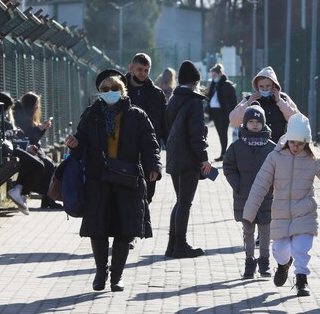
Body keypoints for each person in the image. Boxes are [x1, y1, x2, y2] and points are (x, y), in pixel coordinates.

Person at [65, 69, 161, 292]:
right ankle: (101, 271)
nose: (110, 92)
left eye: (115, 89)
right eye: (105, 89)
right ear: (99, 92)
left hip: (129, 179)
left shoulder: (137, 115)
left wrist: (153, 167)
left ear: (123, 90)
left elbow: (149, 144)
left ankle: (117, 276)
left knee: (125, 229)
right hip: (98, 179)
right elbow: (81, 141)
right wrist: (74, 143)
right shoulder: (91, 114)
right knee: (97, 228)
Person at [243, 113, 320, 296]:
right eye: (293, 142)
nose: (296, 147)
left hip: (305, 212)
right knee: (280, 250)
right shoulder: (275, 157)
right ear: (287, 140)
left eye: (300, 144)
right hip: (281, 214)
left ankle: (302, 280)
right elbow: (260, 184)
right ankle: (283, 264)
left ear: (307, 143)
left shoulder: (313, 159)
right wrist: (249, 212)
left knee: (301, 247)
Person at [164, 60, 212, 258]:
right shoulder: (193, 102)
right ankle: (180, 245)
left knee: (179, 201)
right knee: (185, 202)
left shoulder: (174, 99)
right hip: (189, 158)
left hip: (174, 155)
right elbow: (196, 135)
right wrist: (204, 158)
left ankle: (172, 244)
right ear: (196, 82)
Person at [223, 101, 276, 279]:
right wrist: (237, 184)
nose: (255, 124)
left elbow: (279, 169)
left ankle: (265, 262)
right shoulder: (237, 147)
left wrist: (274, 186)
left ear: (263, 123)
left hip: (266, 196)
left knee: (266, 230)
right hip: (244, 195)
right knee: (248, 230)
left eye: (258, 122)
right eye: (251, 122)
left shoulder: (271, 147)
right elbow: (228, 166)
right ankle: (249, 262)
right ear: (245, 123)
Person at [125, 53, 167, 205]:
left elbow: (165, 124)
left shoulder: (157, 94)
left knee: (147, 196)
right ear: (131, 68)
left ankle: (142, 227)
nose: (143, 73)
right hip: (124, 152)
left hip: (148, 151)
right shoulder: (119, 91)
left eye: (146, 70)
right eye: (139, 69)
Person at [9, 91, 60, 212]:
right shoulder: (22, 116)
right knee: (48, 165)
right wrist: (40, 128)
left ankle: (48, 199)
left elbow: (34, 136)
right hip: (27, 148)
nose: (38, 106)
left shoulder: (29, 116)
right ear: (31, 104)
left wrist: (42, 128)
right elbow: (28, 136)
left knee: (51, 165)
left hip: (33, 147)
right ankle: (47, 199)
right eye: (36, 103)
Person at [229, 66, 299, 144]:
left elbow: (297, 120)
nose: (265, 89)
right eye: (261, 87)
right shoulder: (250, 99)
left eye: (268, 86)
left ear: (274, 85)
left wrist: (279, 101)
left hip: (278, 147)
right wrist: (248, 103)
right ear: (256, 87)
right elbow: (234, 121)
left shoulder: (283, 98)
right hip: (255, 148)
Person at [205, 63, 237, 161]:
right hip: (214, 112)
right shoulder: (214, 84)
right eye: (212, 75)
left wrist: (232, 113)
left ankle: (224, 154)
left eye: (214, 75)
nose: (213, 77)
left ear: (220, 74)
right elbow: (210, 98)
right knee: (220, 133)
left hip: (223, 112)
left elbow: (232, 100)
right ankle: (223, 153)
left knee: (223, 133)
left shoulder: (227, 84)